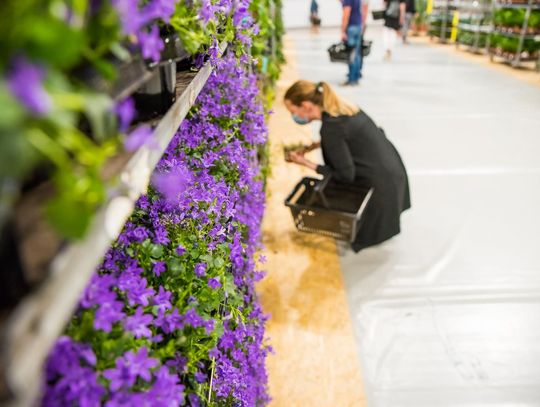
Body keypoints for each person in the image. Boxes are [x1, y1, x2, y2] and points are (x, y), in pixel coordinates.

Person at [284, 80, 411, 253]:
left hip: (379, 191)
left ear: (306, 105)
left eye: (293, 111)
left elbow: (344, 175)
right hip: (393, 174)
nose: (293, 116)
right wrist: (312, 147)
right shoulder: (344, 108)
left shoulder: (330, 129)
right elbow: (347, 138)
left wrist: (304, 162)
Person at [341, 0, 365, 86]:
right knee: (357, 54)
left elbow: (346, 14)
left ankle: (351, 80)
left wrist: (343, 31)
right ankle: (356, 78)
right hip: (358, 26)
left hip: (351, 28)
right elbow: (362, 11)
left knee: (351, 55)